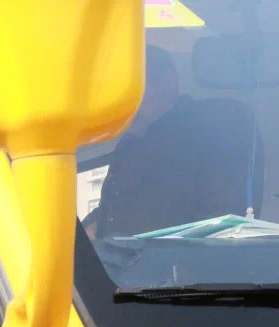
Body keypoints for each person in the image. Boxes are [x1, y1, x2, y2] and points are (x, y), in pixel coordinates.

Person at [84, 44, 264, 239]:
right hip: (118, 258)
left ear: (167, 82)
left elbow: (221, 225)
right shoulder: (130, 142)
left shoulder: (216, 129)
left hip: (172, 258)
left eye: (127, 89)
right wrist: (91, 227)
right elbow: (111, 208)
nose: (118, 101)